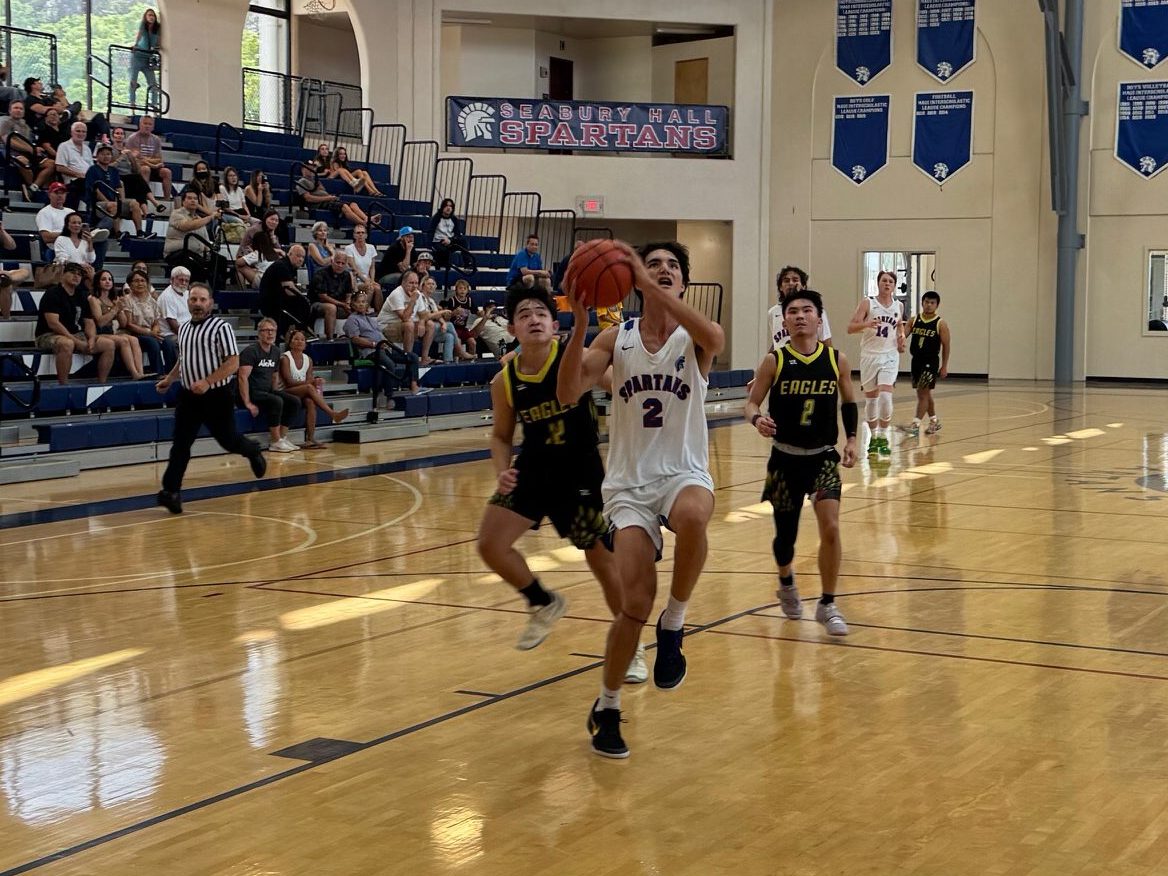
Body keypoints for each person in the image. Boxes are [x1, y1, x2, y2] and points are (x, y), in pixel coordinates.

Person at [557, 240, 724, 759]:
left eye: (673, 267)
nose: (664, 271)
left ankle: (674, 623)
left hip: (682, 472)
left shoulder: (693, 337)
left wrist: (650, 287)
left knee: (695, 513)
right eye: (653, 265)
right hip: (629, 486)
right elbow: (567, 392)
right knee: (632, 605)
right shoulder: (618, 336)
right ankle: (607, 706)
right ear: (633, 280)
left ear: (684, 283)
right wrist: (580, 321)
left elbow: (715, 335)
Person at [477, 282, 647, 682]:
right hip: (533, 470)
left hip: (581, 472)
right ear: (513, 329)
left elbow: (622, 388)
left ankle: (633, 645)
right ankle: (542, 601)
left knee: (602, 563)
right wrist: (501, 469)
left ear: (555, 325)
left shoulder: (578, 359)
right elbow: (501, 436)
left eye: (540, 313)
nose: (533, 319)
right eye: (524, 315)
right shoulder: (504, 382)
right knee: (490, 544)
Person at [744, 288, 857, 639]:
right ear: (785, 320)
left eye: (807, 310)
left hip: (823, 457)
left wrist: (851, 439)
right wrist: (756, 419)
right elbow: (750, 404)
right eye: (792, 311)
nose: (799, 316)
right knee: (786, 538)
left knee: (832, 528)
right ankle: (786, 582)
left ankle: (827, 603)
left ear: (819, 319)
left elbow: (849, 403)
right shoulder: (774, 360)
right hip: (784, 459)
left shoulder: (836, 359)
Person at [155, 283, 266, 514]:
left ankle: (253, 450)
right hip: (189, 396)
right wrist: (170, 378)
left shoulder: (220, 327)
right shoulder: (184, 328)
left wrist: (207, 382)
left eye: (202, 300)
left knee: (228, 441)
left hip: (217, 395)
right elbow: (184, 358)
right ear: (188, 302)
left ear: (210, 303)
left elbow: (233, 362)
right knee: (180, 445)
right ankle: (171, 492)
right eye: (193, 299)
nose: (197, 304)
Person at [847, 270, 905, 458]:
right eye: (884, 281)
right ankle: (873, 437)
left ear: (894, 286)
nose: (887, 284)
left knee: (886, 396)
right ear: (878, 283)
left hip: (890, 355)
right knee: (871, 399)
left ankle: (883, 436)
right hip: (869, 356)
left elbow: (899, 325)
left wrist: (901, 337)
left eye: (890, 281)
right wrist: (865, 324)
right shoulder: (868, 303)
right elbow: (850, 327)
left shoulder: (899, 305)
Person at [34, 262, 115, 384]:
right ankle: (64, 385)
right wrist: (76, 341)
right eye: (72, 273)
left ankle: (101, 383)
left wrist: (92, 338)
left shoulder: (81, 295)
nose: (76, 276)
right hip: (47, 334)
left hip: (76, 334)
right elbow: (53, 323)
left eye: (79, 274)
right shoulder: (53, 293)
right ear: (63, 274)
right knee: (68, 344)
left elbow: (89, 322)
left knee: (108, 344)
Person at [345, 291, 420, 409]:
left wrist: (388, 345)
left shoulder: (371, 319)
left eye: (363, 302)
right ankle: (389, 397)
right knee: (389, 364)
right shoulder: (352, 319)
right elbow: (355, 340)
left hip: (384, 348)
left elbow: (380, 335)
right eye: (358, 302)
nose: (361, 304)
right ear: (353, 304)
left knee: (412, 357)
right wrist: (374, 344)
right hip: (370, 352)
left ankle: (414, 384)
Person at [279, 328, 350, 448]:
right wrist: (311, 382)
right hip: (285, 391)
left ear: (305, 344)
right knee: (308, 387)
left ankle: (310, 439)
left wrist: (315, 381)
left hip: (301, 391)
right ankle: (332, 414)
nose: (299, 342)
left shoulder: (308, 360)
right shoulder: (285, 358)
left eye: (302, 340)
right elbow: (289, 382)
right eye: (296, 339)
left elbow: (309, 379)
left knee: (310, 401)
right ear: (290, 343)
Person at [238, 318, 300, 453]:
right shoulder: (251, 351)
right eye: (266, 331)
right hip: (253, 391)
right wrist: (247, 402)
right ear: (259, 333)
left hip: (266, 391)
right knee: (276, 401)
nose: (270, 334)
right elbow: (242, 377)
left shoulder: (276, 351)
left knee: (294, 401)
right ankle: (276, 441)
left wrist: (275, 390)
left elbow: (274, 375)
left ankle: (282, 438)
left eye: (273, 331)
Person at [906, 291, 950, 437]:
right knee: (923, 394)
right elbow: (901, 336)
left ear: (937, 305)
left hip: (930, 362)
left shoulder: (940, 323)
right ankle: (934, 421)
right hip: (916, 361)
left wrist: (944, 366)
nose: (929, 305)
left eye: (932, 303)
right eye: (926, 302)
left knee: (923, 394)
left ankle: (915, 424)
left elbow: (946, 346)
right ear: (922, 302)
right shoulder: (914, 320)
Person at [88, 269, 145, 379]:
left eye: (110, 279)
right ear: (97, 282)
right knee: (123, 340)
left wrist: (121, 309)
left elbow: (123, 324)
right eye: (103, 279)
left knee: (134, 339)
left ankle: (141, 373)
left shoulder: (113, 299)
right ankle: (134, 373)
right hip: (97, 333)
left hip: (111, 333)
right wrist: (115, 310)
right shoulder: (94, 299)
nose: (107, 281)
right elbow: (100, 322)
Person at [87, 143, 149, 240]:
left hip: (114, 203)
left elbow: (119, 187)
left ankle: (140, 232)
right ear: (97, 156)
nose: (106, 156)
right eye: (103, 154)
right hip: (98, 204)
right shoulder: (92, 170)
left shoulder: (113, 170)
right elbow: (95, 190)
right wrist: (110, 202)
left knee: (134, 203)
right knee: (114, 205)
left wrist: (122, 201)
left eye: (108, 154)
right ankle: (117, 233)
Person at [0, 99, 57, 197]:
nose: (18, 110)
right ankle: (30, 187)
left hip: (30, 152)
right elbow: (8, 140)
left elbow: (31, 143)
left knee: (51, 164)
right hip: (11, 152)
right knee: (24, 162)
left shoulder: (26, 126)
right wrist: (31, 149)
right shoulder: (4, 121)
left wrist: (35, 148)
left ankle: (32, 188)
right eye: (16, 108)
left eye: (21, 109)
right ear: (10, 110)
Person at [123, 267, 175, 373]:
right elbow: (129, 324)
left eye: (143, 281)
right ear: (130, 284)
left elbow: (156, 322)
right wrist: (149, 333)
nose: (140, 283)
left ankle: (171, 373)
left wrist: (154, 331)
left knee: (168, 342)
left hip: (150, 332)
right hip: (134, 334)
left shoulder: (152, 301)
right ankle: (158, 373)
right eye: (136, 281)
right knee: (152, 342)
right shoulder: (127, 300)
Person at [767, 265, 831, 349]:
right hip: (783, 360)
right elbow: (777, 341)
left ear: (803, 286)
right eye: (786, 281)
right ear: (780, 287)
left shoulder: (815, 310)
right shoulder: (773, 312)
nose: (791, 283)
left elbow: (825, 341)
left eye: (795, 280)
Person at [416, 275, 474, 363]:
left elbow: (438, 316)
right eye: (429, 284)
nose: (431, 286)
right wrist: (443, 312)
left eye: (433, 284)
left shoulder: (431, 301)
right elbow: (427, 316)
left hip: (432, 329)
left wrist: (443, 323)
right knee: (450, 324)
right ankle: (461, 352)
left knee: (449, 336)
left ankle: (448, 361)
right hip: (422, 328)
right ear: (422, 285)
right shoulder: (419, 297)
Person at [258, 244, 310, 338]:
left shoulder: (290, 267)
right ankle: (298, 335)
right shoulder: (282, 266)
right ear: (289, 254)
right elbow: (289, 291)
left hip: (279, 302)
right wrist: (305, 298)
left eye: (303, 257)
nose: (301, 259)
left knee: (303, 306)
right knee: (304, 305)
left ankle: (298, 335)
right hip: (271, 305)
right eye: (298, 256)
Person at [309, 249, 356, 338]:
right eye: (337, 262)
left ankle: (355, 339)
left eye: (343, 263)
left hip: (340, 303)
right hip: (318, 304)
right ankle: (330, 339)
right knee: (331, 308)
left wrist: (348, 302)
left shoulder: (346, 275)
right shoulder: (321, 273)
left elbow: (348, 293)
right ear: (332, 261)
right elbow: (323, 297)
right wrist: (342, 304)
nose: (340, 265)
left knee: (359, 306)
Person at [125, 115, 173, 201]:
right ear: (140, 124)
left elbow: (159, 159)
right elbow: (135, 159)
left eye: (150, 124)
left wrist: (146, 160)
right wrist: (152, 162)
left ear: (153, 127)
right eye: (145, 123)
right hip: (137, 168)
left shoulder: (156, 139)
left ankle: (167, 200)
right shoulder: (132, 138)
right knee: (145, 169)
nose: (147, 126)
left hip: (152, 167)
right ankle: (145, 198)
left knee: (167, 172)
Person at [427, 198, 474, 272]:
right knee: (444, 251)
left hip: (450, 241)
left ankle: (468, 264)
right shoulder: (436, 218)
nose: (448, 208)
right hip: (439, 241)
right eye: (446, 206)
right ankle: (442, 267)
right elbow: (430, 232)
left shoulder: (454, 219)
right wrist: (431, 244)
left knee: (463, 241)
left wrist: (451, 240)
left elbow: (457, 234)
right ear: (442, 207)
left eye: (450, 206)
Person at [52, 212, 97, 288]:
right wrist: (80, 265)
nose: (77, 225)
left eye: (79, 223)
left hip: (83, 272)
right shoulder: (61, 239)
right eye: (74, 223)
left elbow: (91, 259)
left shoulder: (84, 242)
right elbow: (62, 260)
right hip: (67, 271)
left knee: (93, 278)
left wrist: (90, 243)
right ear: (67, 225)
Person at [129, 8, 161, 109]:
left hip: (148, 58)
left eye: (153, 15)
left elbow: (158, 40)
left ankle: (154, 104)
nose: (151, 17)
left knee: (153, 83)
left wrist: (157, 47)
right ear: (146, 17)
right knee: (133, 81)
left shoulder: (157, 28)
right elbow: (139, 36)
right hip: (138, 56)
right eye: (149, 15)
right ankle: (132, 103)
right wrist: (135, 45)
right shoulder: (143, 26)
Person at [343, 223, 381, 306]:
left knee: (378, 288)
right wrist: (366, 280)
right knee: (370, 288)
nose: (360, 235)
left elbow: (372, 267)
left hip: (368, 279)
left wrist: (372, 280)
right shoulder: (349, 248)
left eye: (362, 233)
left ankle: (379, 313)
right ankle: (364, 310)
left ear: (366, 235)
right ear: (354, 235)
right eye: (358, 233)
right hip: (355, 280)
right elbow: (354, 268)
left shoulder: (371, 248)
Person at [0, 217, 31, 319]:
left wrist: (2, 230)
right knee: (6, 285)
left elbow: (12, 246)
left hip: (2, 273)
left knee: (25, 271)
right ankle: (6, 318)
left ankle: (5, 278)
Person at [442, 277, 477, 356]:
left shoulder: (469, 300)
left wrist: (483, 313)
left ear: (468, 290)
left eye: (465, 288)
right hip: (453, 328)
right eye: (460, 288)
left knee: (473, 342)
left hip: (463, 328)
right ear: (456, 290)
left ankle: (471, 360)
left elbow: (476, 311)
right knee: (458, 342)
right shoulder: (452, 300)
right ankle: (456, 361)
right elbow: (446, 317)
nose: (462, 290)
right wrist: (454, 313)